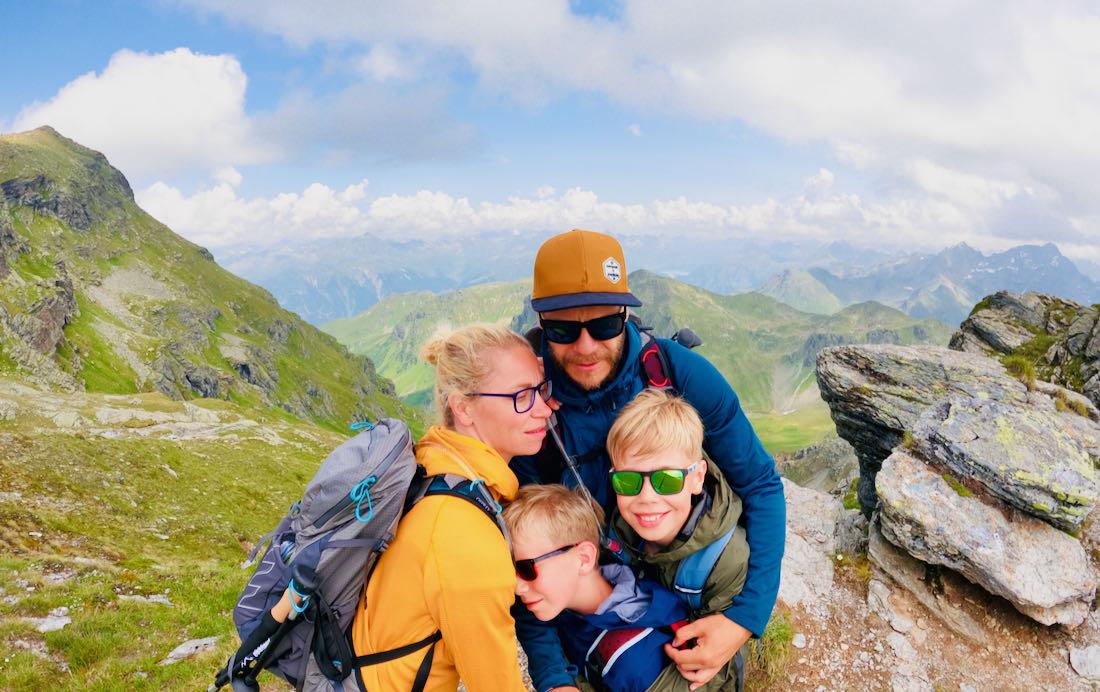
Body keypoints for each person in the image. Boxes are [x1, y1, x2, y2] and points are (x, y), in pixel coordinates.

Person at [511, 229, 786, 692]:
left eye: (602, 326)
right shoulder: (527, 405)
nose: (584, 347)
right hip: (592, 600)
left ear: (625, 315)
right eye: (562, 329)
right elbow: (523, 550)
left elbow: (760, 485)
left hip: (683, 582)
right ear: (539, 323)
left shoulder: (680, 374)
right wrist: (554, 678)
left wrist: (743, 620)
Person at [350, 324, 551, 691]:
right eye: (522, 395)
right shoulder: (464, 532)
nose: (543, 408)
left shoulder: (431, 465)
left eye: (540, 389)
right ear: (463, 408)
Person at [506, 484, 741, 692]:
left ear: (584, 558)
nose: (517, 586)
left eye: (526, 568)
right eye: (509, 570)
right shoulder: (567, 605)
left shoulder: (636, 664)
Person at [606, 389, 749, 689]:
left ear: (697, 478)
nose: (646, 498)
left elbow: (713, 665)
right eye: (628, 480)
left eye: (666, 480)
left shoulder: (724, 558)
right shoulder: (615, 531)